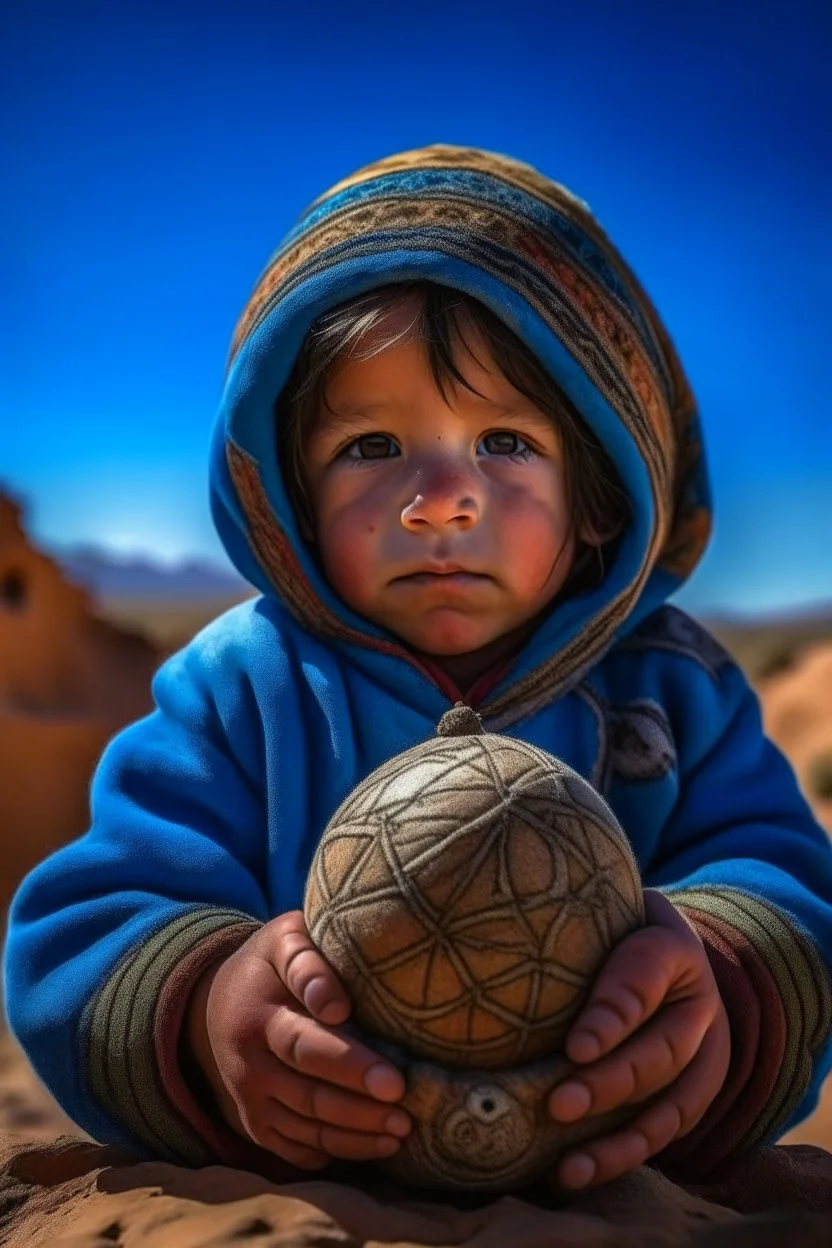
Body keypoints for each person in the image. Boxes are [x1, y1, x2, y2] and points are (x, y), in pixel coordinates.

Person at [5, 144, 832, 1194]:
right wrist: (209, 1014)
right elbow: (85, 926)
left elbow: (794, 892)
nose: (439, 499)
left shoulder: (673, 689)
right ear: (291, 506)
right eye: (370, 446)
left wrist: (724, 987)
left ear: (600, 500)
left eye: (502, 440)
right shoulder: (240, 691)